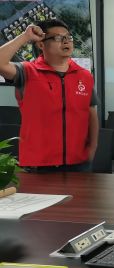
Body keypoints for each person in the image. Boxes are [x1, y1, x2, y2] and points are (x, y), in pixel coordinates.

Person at [0, 19, 98, 172]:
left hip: (79, 163)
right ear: (41, 44)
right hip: (39, 165)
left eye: (68, 37)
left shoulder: (84, 76)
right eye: (58, 38)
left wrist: (93, 147)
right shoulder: (27, 72)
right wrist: (25, 36)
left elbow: (91, 113)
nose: (66, 41)